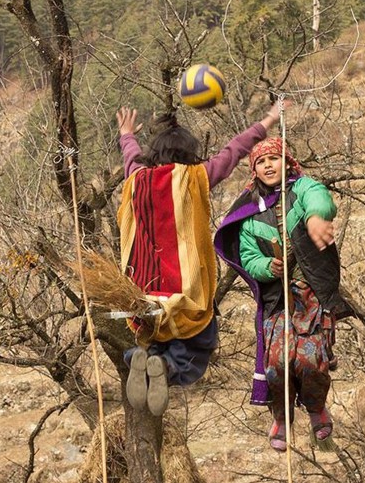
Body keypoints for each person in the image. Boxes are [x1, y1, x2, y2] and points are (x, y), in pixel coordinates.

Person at [116, 101, 284, 416]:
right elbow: (234, 151)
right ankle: (165, 366)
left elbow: (130, 159)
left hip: (142, 293)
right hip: (186, 292)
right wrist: (268, 120)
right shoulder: (196, 177)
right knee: (198, 344)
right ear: (189, 154)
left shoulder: (137, 179)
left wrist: (126, 135)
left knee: (152, 336)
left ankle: (137, 358)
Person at [214, 136, 353, 451]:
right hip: (278, 300)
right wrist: (266, 266)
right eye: (261, 162)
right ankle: (281, 412)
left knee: (310, 361)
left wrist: (317, 217)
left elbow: (320, 198)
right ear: (255, 170)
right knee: (277, 363)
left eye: (273, 159)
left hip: (313, 295)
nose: (267, 165)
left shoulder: (302, 189)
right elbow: (249, 257)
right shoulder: (249, 212)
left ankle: (316, 408)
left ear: (286, 162)